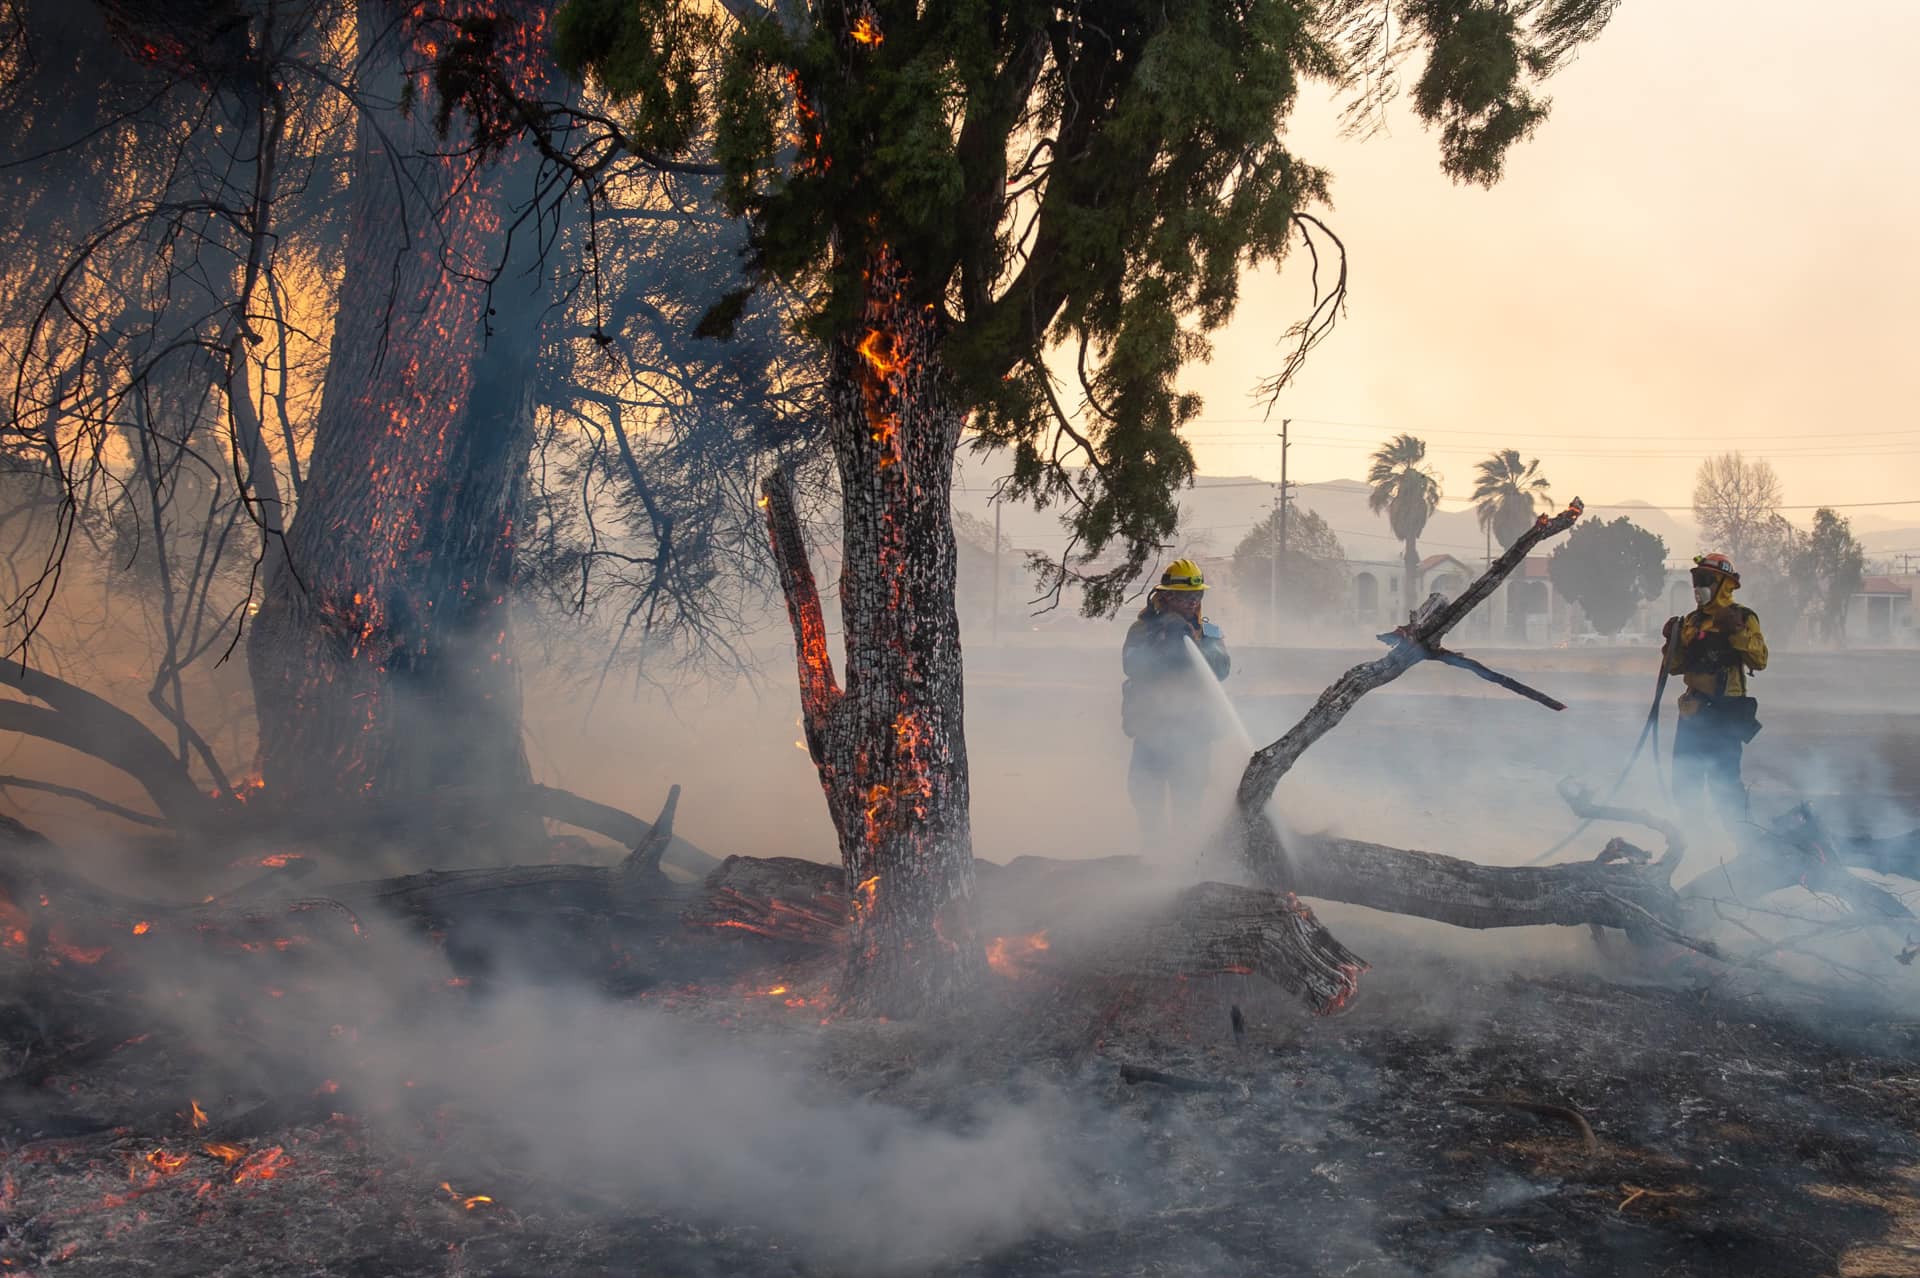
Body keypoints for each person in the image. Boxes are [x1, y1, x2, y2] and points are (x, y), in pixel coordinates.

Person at [1121, 559, 1231, 840]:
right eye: (1186, 596)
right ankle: (1153, 860)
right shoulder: (1142, 631)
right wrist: (1162, 644)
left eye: (1198, 596)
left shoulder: (1208, 633)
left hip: (1193, 734)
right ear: (1167, 596)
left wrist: (1192, 648)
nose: (1193, 602)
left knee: (1188, 803)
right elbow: (1132, 665)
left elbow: (1222, 668)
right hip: (1151, 730)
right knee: (1146, 800)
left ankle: (1185, 864)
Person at [1663, 552, 1768, 824]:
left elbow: (1760, 659)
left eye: (1706, 580)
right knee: (1685, 782)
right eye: (1697, 580)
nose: (1699, 588)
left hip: (1725, 714)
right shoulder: (1692, 622)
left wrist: (1736, 632)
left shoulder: (1744, 618)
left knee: (1725, 783)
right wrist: (1670, 642)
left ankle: (1743, 838)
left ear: (1725, 584)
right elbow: (1674, 668)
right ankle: (1692, 839)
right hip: (1692, 713)